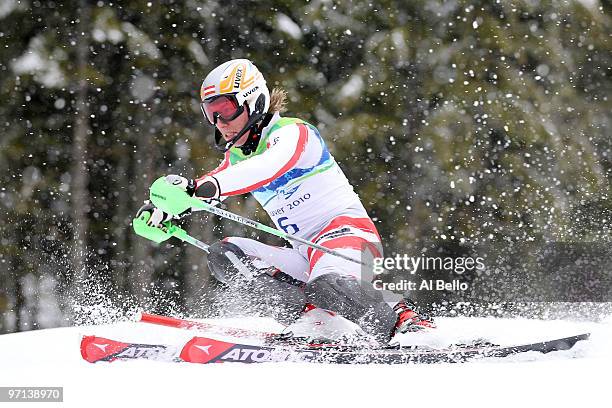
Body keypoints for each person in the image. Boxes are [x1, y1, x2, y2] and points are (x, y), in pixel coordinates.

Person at [137, 59, 434, 343]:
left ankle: (402, 321)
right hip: (305, 253)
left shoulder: (293, 133)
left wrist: (197, 187)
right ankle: (316, 320)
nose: (219, 123)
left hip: (348, 240)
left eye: (225, 110)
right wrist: (163, 210)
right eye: (210, 113)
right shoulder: (238, 156)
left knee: (327, 285)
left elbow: (267, 166)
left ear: (253, 102)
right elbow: (207, 190)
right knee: (225, 255)